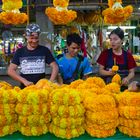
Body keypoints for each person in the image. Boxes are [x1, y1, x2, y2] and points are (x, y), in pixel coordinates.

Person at [8, 23, 58, 89]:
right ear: (26, 36)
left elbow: (55, 66)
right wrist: (24, 81)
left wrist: (50, 82)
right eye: (31, 38)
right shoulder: (20, 52)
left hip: (41, 89)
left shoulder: (44, 50)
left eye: (36, 38)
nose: (34, 41)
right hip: (25, 89)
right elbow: (10, 71)